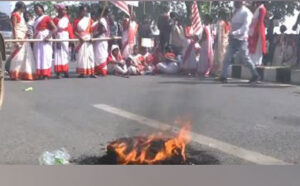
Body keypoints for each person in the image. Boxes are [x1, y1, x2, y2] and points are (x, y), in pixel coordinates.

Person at [216, 1, 260, 83]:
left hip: (242, 39)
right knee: (227, 57)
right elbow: (232, 25)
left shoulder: (246, 13)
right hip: (233, 39)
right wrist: (231, 34)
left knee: (245, 59)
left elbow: (245, 28)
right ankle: (223, 76)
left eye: (237, 2)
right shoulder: (235, 11)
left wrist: (234, 33)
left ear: (241, 2)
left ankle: (255, 75)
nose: (235, 3)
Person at [8, 2, 36, 80]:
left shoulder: (21, 16)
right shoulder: (15, 15)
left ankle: (24, 74)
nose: (24, 10)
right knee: (17, 56)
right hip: (18, 37)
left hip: (24, 37)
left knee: (25, 56)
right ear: (21, 8)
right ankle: (15, 74)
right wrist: (16, 40)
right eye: (23, 8)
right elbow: (14, 27)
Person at [33, 3, 57, 80]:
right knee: (38, 56)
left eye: (38, 9)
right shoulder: (36, 19)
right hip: (37, 38)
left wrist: (48, 36)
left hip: (45, 38)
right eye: (35, 9)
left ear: (42, 9)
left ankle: (46, 74)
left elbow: (54, 28)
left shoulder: (47, 18)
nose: (36, 10)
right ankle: (39, 73)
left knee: (45, 56)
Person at [73, 4, 96, 78]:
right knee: (82, 56)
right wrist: (80, 38)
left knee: (90, 56)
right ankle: (82, 72)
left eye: (85, 11)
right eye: (82, 11)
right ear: (80, 11)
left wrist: (92, 37)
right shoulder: (76, 21)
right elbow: (74, 31)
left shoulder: (90, 20)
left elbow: (92, 31)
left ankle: (92, 72)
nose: (84, 12)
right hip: (81, 40)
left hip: (88, 39)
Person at [53, 4, 74, 79]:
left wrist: (71, 39)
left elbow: (70, 29)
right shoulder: (55, 19)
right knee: (58, 54)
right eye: (63, 10)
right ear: (59, 10)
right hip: (58, 36)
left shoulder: (67, 18)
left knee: (66, 53)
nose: (65, 11)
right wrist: (55, 38)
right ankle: (58, 72)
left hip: (65, 36)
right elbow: (53, 29)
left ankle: (65, 71)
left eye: (65, 10)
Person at [248, 1, 267, 66]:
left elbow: (260, 20)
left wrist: (256, 30)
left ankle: (256, 61)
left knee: (257, 45)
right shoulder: (258, 8)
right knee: (253, 45)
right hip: (254, 28)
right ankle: (253, 61)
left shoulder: (262, 8)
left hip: (258, 28)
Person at [93, 8, 110, 76]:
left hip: (101, 40)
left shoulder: (102, 20)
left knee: (100, 56)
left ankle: (102, 70)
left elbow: (103, 30)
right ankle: (98, 70)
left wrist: (95, 35)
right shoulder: (102, 20)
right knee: (98, 56)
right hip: (100, 40)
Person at [213, 9, 230, 75]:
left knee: (219, 56)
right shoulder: (228, 23)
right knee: (223, 56)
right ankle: (222, 71)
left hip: (221, 42)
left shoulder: (220, 23)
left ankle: (219, 71)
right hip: (225, 42)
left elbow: (218, 34)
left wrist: (215, 41)